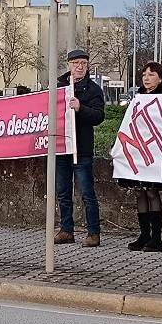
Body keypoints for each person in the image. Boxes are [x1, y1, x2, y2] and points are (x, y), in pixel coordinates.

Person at [119, 62, 162, 252]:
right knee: (139, 191)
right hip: (138, 150)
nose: (146, 78)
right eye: (144, 75)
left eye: (151, 74)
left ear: (160, 77)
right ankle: (144, 235)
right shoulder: (139, 97)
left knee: (152, 191)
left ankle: (156, 238)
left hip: (155, 150)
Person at [54, 49, 106, 247]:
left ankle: (93, 232)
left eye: (83, 63)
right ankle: (66, 229)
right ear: (69, 65)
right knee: (63, 192)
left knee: (86, 192)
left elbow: (99, 116)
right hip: (62, 146)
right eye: (75, 63)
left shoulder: (93, 90)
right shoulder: (59, 87)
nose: (79, 67)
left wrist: (80, 108)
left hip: (82, 148)